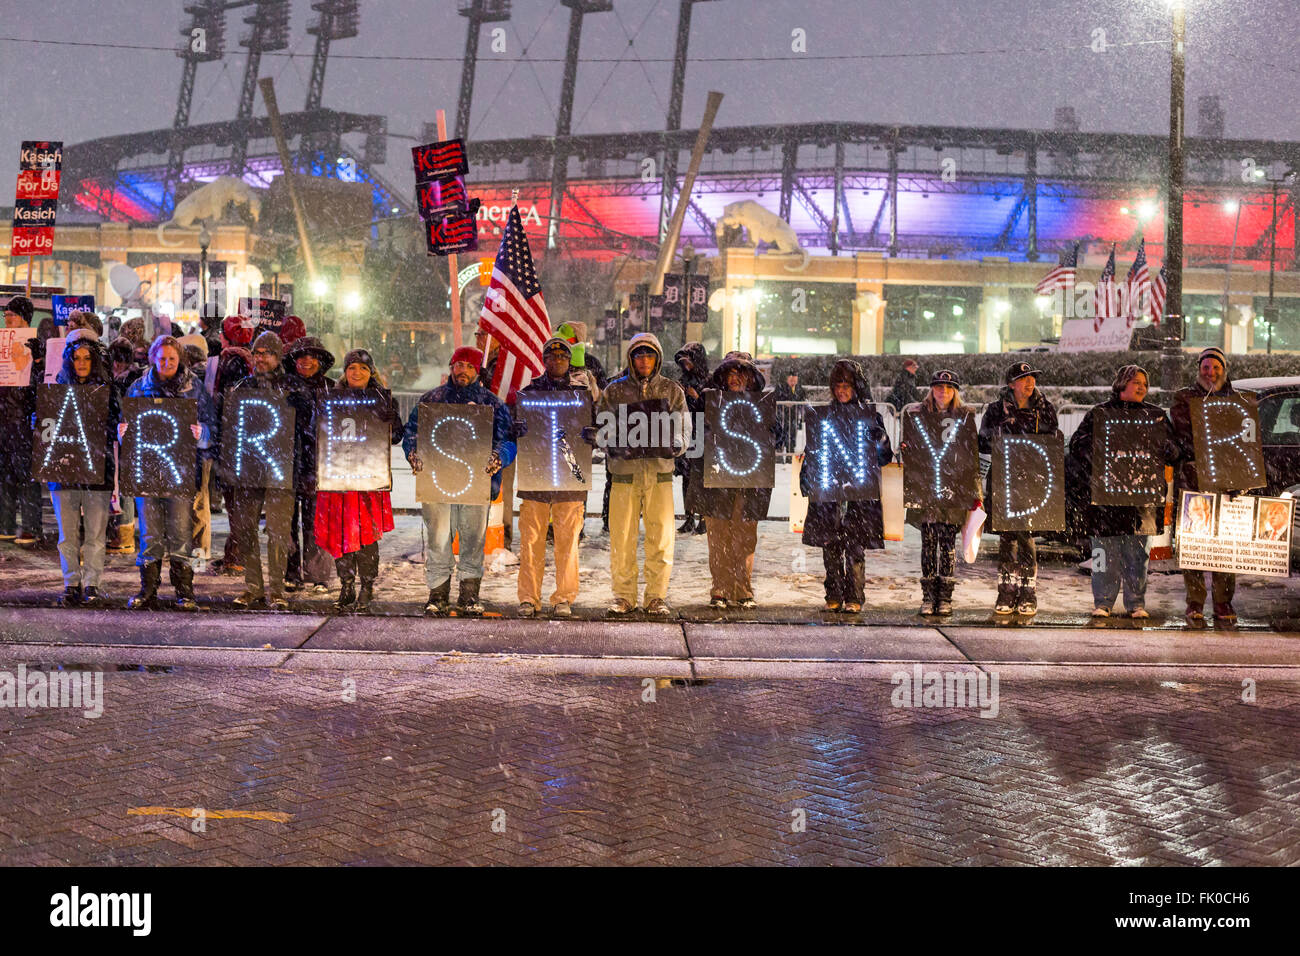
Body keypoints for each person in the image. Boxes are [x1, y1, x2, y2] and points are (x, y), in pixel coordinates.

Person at [404, 346, 516, 617]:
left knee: (472, 542)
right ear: (451, 366)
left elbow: (508, 440)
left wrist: (499, 457)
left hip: (477, 483)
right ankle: (438, 595)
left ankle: (469, 595)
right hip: (437, 483)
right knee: (439, 541)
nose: (462, 370)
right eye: (458, 364)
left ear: (477, 370)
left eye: (468, 365)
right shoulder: (432, 399)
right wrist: (412, 452)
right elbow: (412, 432)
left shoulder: (493, 403)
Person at [1066, 365, 1176, 619]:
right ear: (1121, 384)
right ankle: (1103, 602)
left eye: (1145, 384)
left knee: (1138, 555)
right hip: (1106, 499)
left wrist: (1165, 449)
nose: (1141, 387)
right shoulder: (1100, 414)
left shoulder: (1156, 416)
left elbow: (1174, 450)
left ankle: (1136, 603)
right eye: (1136, 382)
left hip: (1142, 503)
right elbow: (1078, 446)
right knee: (1104, 553)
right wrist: (1099, 460)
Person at [598, 333, 689, 617]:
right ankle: (624, 595)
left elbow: (684, 428)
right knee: (621, 539)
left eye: (649, 355)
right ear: (632, 358)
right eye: (640, 355)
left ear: (657, 358)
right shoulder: (614, 391)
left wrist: (677, 444)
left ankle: (655, 596)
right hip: (624, 474)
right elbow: (602, 426)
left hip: (659, 474)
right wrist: (610, 441)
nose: (645, 360)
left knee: (661, 539)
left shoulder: (672, 391)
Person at [123, 335, 217, 610]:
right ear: (153, 358)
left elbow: (212, 425)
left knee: (180, 533)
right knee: (150, 534)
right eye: (162, 358)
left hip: (181, 471)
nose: (166, 363)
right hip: (147, 470)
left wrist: (203, 434)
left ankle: (184, 590)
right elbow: (125, 419)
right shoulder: (138, 388)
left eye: (172, 359)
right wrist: (123, 432)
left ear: (180, 360)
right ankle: (148, 589)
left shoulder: (194, 388)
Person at [512, 337, 598, 618]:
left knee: (568, 542)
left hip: (570, 479)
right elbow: (514, 428)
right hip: (536, 477)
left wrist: (593, 434)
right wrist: (518, 429)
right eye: (552, 356)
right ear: (544, 359)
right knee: (531, 542)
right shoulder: (529, 392)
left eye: (563, 356)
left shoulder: (582, 395)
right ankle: (529, 597)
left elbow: (598, 426)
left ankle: (564, 597)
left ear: (569, 360)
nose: (557, 360)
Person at [800, 359, 893, 614]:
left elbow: (885, 457)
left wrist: (880, 439)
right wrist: (806, 477)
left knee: (854, 546)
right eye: (837, 386)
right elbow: (813, 451)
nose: (841, 391)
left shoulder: (870, 417)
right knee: (830, 545)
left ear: (856, 387)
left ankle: (854, 596)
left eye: (847, 386)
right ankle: (833, 594)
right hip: (829, 491)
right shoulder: (823, 417)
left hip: (859, 494)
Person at [315, 349, 402, 613]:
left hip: (367, 478)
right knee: (340, 532)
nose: (356, 373)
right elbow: (317, 431)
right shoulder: (331, 398)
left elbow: (396, 437)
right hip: (338, 477)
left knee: (366, 534)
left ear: (371, 372)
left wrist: (393, 420)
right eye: (352, 368)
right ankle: (346, 584)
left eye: (363, 369)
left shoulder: (382, 399)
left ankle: (367, 584)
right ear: (345, 372)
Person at [693, 351, 782, 609]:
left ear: (750, 376)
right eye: (730, 372)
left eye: (740, 372)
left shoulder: (762, 404)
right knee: (718, 535)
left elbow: (778, 436)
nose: (735, 378)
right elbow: (696, 434)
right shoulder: (710, 401)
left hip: (749, 480)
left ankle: (742, 588)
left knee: (744, 535)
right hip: (718, 478)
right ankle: (720, 587)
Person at [1171, 346, 1247, 624]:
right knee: (1194, 542)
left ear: (1224, 370)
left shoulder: (1238, 401)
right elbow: (1183, 436)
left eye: (1216, 367)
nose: (1211, 372)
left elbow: (1245, 441)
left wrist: (1239, 476)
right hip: (1194, 479)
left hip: (1228, 482)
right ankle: (1195, 600)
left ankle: (1224, 602)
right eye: (1206, 367)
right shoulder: (1185, 398)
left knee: (1225, 544)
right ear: (1198, 369)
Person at [979, 361, 1059, 616]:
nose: (1030, 382)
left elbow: (1054, 439)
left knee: (1027, 536)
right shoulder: (994, 410)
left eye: (1032, 377)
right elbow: (982, 441)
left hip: (1032, 482)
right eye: (1024, 378)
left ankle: (1028, 593)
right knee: (1007, 536)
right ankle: (1006, 591)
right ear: (1011, 384)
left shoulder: (1046, 409)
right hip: (1004, 480)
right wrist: (1000, 432)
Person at [223, 331, 296, 611]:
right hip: (248, 470)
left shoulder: (291, 389)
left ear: (278, 357)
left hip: (280, 470)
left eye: (267, 353)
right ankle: (253, 586)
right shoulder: (241, 387)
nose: (261, 358)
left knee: (278, 532)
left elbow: (301, 430)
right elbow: (228, 430)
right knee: (245, 529)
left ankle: (276, 589)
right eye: (257, 352)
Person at [899, 370, 980, 616]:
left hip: (953, 489)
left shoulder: (965, 417)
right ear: (931, 389)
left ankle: (945, 596)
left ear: (954, 391)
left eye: (948, 387)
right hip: (926, 488)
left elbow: (971, 453)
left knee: (947, 543)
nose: (943, 392)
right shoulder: (918, 415)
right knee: (928, 543)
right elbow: (910, 449)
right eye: (938, 387)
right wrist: (905, 451)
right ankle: (927, 595)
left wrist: (973, 491)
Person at [48, 330, 121, 607]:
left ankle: (91, 584)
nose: (81, 363)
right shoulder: (57, 389)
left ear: (94, 360)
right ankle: (71, 583)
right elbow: (47, 427)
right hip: (64, 470)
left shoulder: (107, 390)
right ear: (69, 360)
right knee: (67, 535)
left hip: (97, 469)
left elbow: (116, 424)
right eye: (76, 358)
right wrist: (38, 421)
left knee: (95, 533)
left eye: (86, 358)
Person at [284, 335, 336, 593]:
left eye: (312, 357)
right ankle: (289, 573)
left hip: (319, 468)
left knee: (317, 524)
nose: (306, 361)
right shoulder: (283, 387)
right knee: (287, 524)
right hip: (286, 466)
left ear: (321, 361)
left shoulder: (332, 388)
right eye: (301, 356)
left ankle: (318, 576)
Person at [1, 296, 45, 547]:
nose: (7, 320)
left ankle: (30, 526)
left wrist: (37, 360)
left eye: (12, 315)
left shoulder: (35, 346)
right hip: (3, 419)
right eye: (6, 315)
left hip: (23, 421)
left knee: (27, 476)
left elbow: (42, 384)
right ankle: (5, 524)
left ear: (25, 319)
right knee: (3, 474)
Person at [673, 342, 710, 535]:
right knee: (687, 478)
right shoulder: (683, 380)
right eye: (683, 363)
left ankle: (703, 518)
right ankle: (689, 517)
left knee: (701, 479)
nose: (686, 366)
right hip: (687, 433)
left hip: (702, 434)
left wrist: (696, 398)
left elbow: (709, 410)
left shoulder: (708, 381)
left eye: (689, 362)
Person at [772, 368, 807, 453]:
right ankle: (778, 455)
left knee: (791, 436)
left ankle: (789, 455)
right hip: (781, 416)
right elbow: (775, 398)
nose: (793, 382)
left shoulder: (800, 389)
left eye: (795, 380)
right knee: (780, 435)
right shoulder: (780, 387)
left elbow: (802, 401)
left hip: (793, 416)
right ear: (787, 379)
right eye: (791, 380)